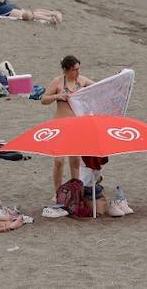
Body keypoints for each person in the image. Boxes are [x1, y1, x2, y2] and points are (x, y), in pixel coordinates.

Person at [41, 55, 93, 197]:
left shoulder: (82, 81)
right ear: (66, 70)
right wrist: (57, 96)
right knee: (58, 161)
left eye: (78, 69)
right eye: (74, 70)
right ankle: (58, 192)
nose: (78, 72)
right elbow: (43, 100)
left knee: (75, 160)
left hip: (77, 126)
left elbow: (100, 88)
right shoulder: (58, 82)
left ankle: (76, 192)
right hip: (60, 125)